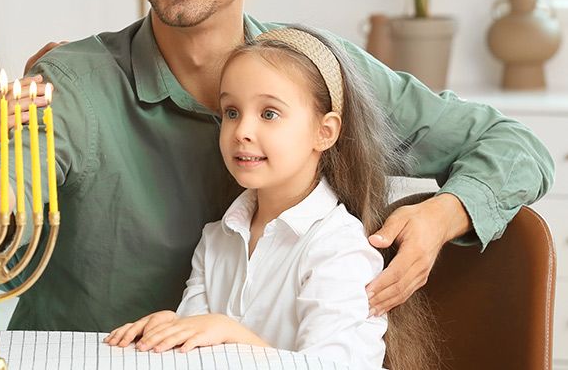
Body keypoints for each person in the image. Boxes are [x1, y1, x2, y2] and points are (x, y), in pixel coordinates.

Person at [0, 0, 552, 333]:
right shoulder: (70, 82)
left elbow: (514, 143)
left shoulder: (323, 71)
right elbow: (9, 195)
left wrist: (442, 215)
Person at [104, 26, 437, 369]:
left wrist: (231, 334)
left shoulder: (338, 248)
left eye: (269, 114)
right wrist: (168, 333)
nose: (242, 132)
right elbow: (195, 352)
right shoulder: (217, 239)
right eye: (231, 112)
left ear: (325, 132)